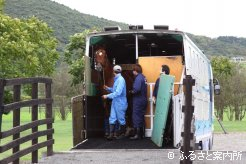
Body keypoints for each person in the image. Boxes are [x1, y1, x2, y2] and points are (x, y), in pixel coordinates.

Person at [102, 65, 128, 140]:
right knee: (112, 118)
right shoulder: (117, 79)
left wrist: (107, 96)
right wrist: (108, 88)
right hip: (115, 102)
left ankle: (123, 133)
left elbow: (117, 92)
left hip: (120, 102)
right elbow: (114, 90)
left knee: (121, 119)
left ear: (113, 72)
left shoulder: (120, 80)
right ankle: (111, 135)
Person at [129, 64, 147, 140]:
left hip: (138, 100)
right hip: (143, 99)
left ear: (135, 71)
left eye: (133, 71)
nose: (132, 72)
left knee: (136, 116)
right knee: (141, 116)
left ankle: (137, 134)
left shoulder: (138, 78)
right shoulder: (143, 77)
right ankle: (142, 134)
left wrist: (131, 91)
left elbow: (137, 89)